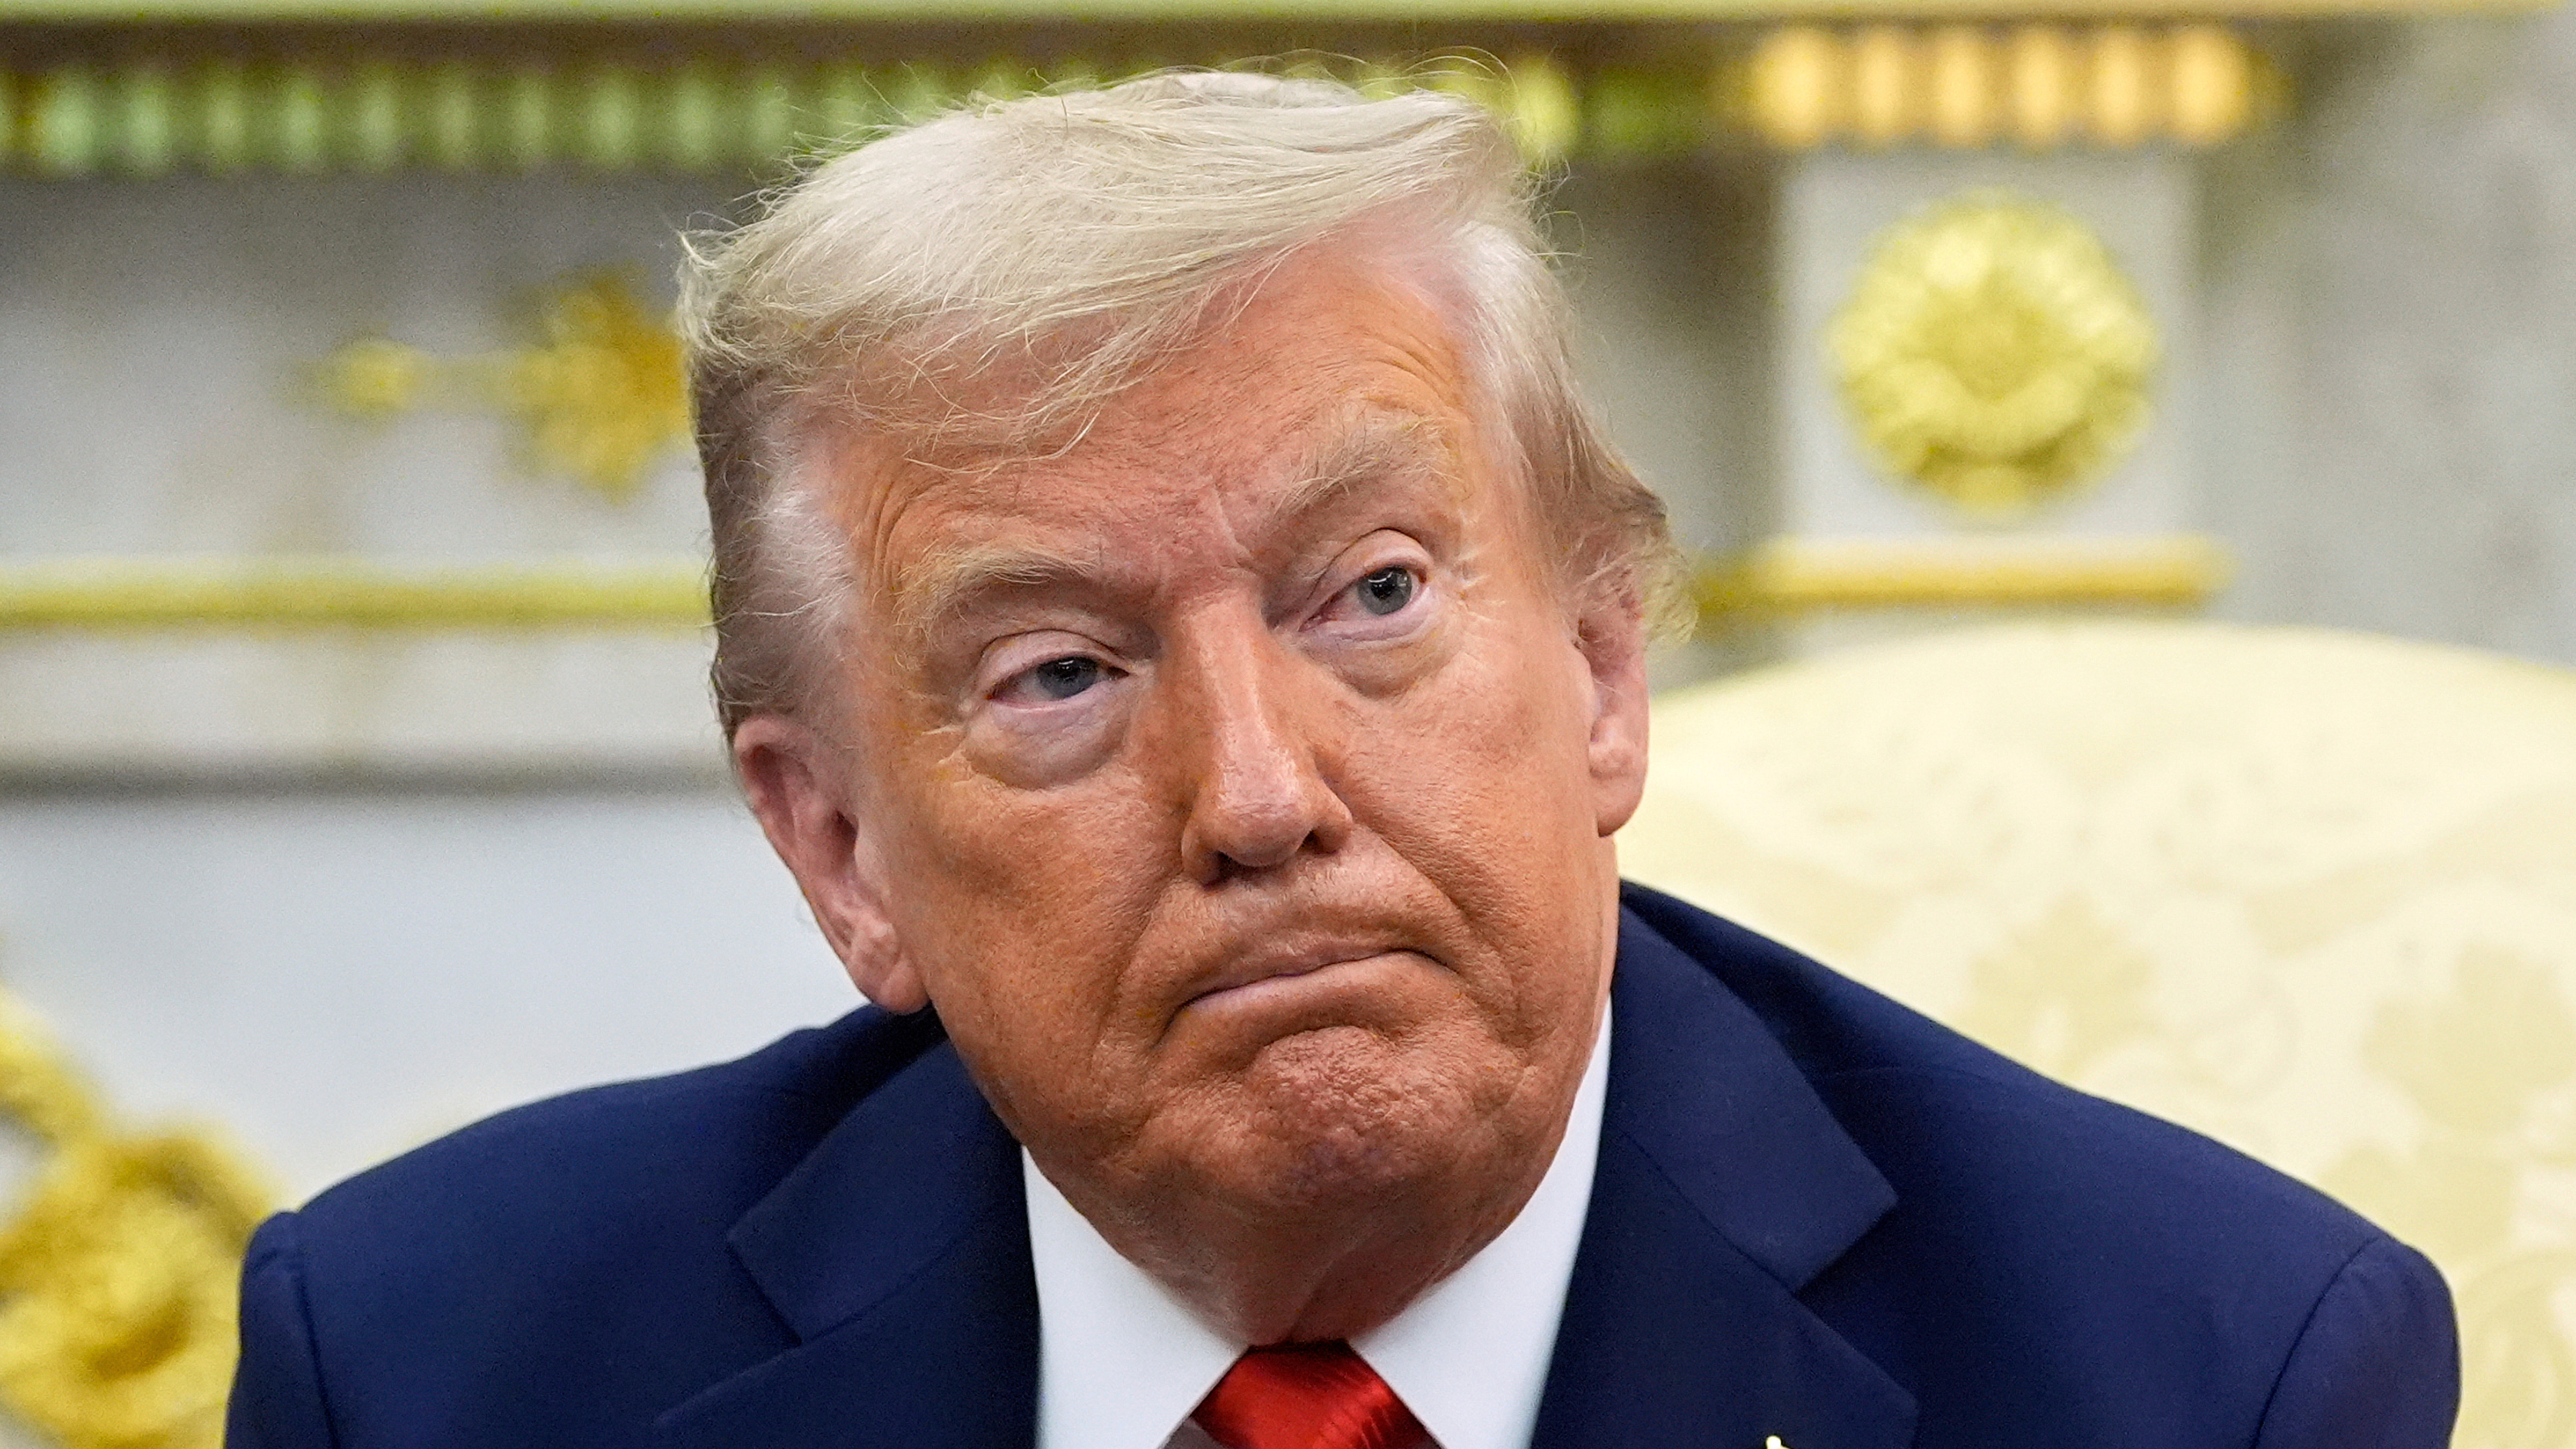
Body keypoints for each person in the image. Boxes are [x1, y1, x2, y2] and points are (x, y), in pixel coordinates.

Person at [226, 71, 2458, 1449]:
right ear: (840, 851)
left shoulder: (2196, 1374)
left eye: (1373, 595)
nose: (1259, 795)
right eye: (1061, 675)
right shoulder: (442, 1367)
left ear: (1599, 673)